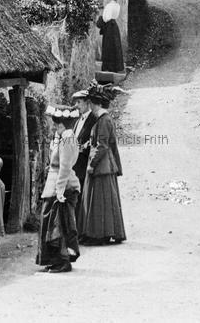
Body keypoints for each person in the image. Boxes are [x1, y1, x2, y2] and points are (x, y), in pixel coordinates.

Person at [78, 82, 126, 245]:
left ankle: (100, 235)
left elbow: (103, 145)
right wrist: (85, 146)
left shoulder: (104, 120)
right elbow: (96, 142)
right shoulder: (101, 120)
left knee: (99, 200)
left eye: (90, 102)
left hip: (102, 166)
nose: (89, 105)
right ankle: (97, 233)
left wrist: (92, 164)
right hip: (101, 165)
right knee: (99, 200)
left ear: (93, 103)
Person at [36, 105, 80, 273]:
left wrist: (60, 190)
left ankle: (62, 260)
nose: (54, 127)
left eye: (56, 125)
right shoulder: (62, 137)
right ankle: (54, 259)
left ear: (63, 125)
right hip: (54, 183)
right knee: (51, 221)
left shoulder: (68, 137)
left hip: (61, 185)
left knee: (58, 224)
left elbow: (65, 166)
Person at [72, 89, 98, 214]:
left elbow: (94, 143)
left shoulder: (94, 120)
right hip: (75, 166)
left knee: (84, 200)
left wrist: (81, 148)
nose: (76, 105)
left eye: (79, 102)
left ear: (88, 103)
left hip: (85, 166)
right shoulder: (78, 121)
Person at [96, 0, 125, 73]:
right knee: (115, 46)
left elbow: (106, 18)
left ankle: (108, 67)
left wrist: (100, 20)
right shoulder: (117, 6)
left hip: (109, 27)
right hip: (114, 26)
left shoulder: (109, 6)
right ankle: (115, 67)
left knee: (108, 46)